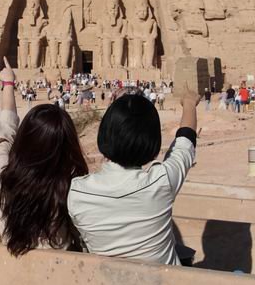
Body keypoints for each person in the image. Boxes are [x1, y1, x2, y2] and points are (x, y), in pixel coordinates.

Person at [68, 86, 200, 266]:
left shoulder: (77, 191)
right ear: (152, 143)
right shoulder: (162, 182)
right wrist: (190, 103)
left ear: (104, 134)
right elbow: (185, 141)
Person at [0, 57, 89, 256]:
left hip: (15, 256)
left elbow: (4, 131)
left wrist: (8, 83)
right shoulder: (72, 186)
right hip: (61, 268)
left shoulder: (0, 174)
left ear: (24, 137)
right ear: (69, 147)